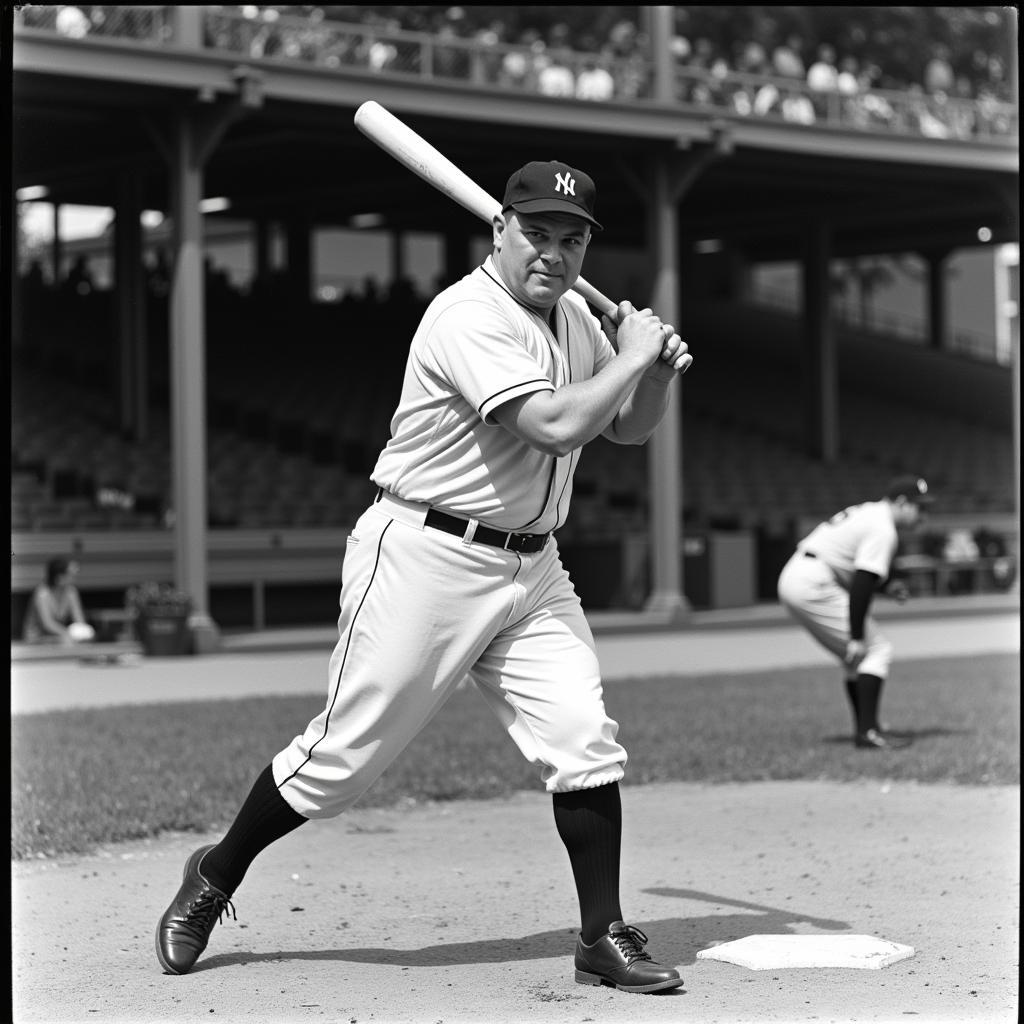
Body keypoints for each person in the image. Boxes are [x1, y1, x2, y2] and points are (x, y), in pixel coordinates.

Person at [155, 160, 692, 993]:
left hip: (533, 565)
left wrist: (649, 373)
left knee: (582, 738)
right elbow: (552, 427)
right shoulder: (464, 314)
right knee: (340, 762)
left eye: (571, 238)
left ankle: (600, 935)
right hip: (427, 556)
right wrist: (633, 353)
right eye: (537, 233)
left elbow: (625, 430)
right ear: (500, 231)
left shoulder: (578, 322)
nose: (553, 253)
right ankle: (215, 874)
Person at [776, 476, 934, 750]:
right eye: (919, 507)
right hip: (812, 580)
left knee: (855, 660)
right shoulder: (883, 529)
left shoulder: (870, 512)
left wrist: (887, 586)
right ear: (901, 503)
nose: (923, 515)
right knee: (875, 650)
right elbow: (862, 583)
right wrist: (857, 635)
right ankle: (868, 733)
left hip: (800, 573)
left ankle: (866, 727)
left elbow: (855, 569)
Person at [22, 557, 95, 644]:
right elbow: (47, 623)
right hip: (37, 639)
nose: (74, 578)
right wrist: (67, 634)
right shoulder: (42, 593)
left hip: (58, 637)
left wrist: (85, 631)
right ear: (59, 577)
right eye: (70, 575)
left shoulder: (71, 592)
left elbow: (79, 618)